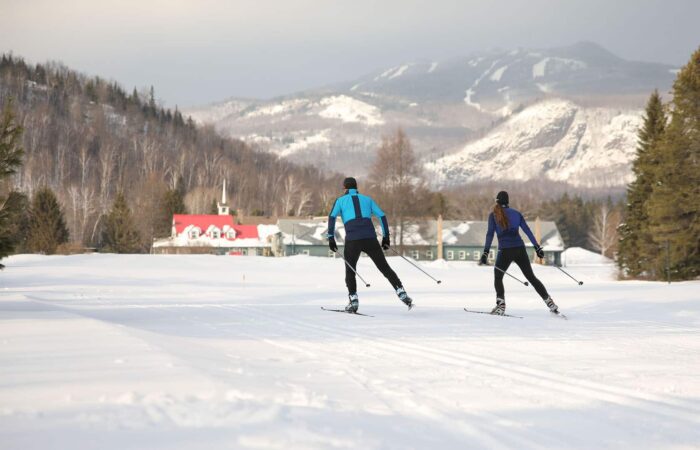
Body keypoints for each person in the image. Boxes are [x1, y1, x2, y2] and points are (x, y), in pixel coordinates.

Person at [327, 177, 412, 313]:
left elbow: (331, 217)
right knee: (384, 267)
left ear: (345, 188)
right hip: (370, 238)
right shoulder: (367, 199)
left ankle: (353, 300)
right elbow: (382, 216)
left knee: (351, 270)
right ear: (356, 187)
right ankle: (401, 291)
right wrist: (386, 237)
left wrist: (331, 238)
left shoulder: (340, 201)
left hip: (353, 240)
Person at [481, 191, 559, 315]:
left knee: (498, 276)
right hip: (519, 249)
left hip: (505, 250)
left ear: (497, 201)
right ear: (507, 202)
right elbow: (527, 231)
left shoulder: (493, 215)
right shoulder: (516, 214)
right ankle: (550, 302)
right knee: (531, 277)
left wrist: (486, 252)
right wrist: (537, 248)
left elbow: (490, 234)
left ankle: (501, 306)